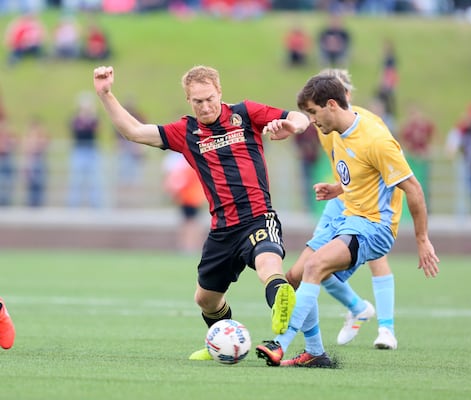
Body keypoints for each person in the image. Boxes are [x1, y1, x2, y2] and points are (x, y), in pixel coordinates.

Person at [93, 64, 309, 361]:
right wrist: (106, 94)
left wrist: (293, 127)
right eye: (198, 101)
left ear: (220, 92)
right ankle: (223, 342)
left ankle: (280, 304)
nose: (205, 106)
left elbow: (299, 117)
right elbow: (134, 132)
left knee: (267, 264)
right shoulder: (186, 131)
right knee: (205, 299)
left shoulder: (246, 113)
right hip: (222, 229)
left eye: (210, 98)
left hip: (258, 216)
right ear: (189, 101)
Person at [256, 75, 440, 367]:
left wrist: (422, 240)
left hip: (374, 226)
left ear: (331, 104)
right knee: (295, 275)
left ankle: (280, 344)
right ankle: (316, 352)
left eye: (314, 112)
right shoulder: (336, 131)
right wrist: (337, 189)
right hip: (348, 216)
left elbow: (413, 188)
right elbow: (363, 173)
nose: (313, 121)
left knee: (315, 267)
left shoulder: (376, 138)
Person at [163, 151, 207, 254]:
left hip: (190, 198)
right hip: (190, 198)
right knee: (191, 222)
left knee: (190, 223)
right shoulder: (192, 166)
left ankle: (189, 246)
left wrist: (173, 191)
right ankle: (190, 245)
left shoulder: (188, 168)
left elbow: (180, 183)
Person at [67, 92, 104, 208]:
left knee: (95, 181)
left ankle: (96, 206)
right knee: (76, 181)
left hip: (92, 152)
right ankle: (73, 207)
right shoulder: (76, 119)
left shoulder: (94, 119)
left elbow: (97, 130)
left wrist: (91, 117)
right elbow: (77, 130)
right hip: (79, 151)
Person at [22, 116, 51, 207]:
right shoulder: (28, 138)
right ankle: (31, 206)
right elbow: (27, 149)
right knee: (31, 188)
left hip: (39, 162)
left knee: (39, 186)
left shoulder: (41, 136)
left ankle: (38, 206)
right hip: (31, 164)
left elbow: (45, 145)